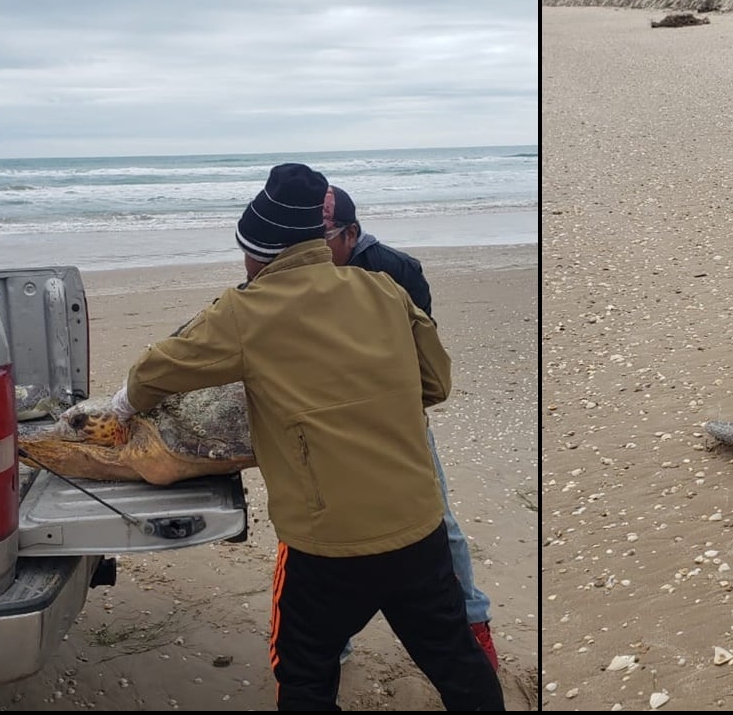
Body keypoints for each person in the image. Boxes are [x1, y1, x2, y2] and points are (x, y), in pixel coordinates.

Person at [110, 163, 504, 711]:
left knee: (303, 673)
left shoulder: (243, 311)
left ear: (257, 253)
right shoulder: (385, 290)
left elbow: (153, 372)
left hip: (325, 547)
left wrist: (122, 408)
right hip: (418, 529)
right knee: (455, 662)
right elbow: (435, 384)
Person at [321, 183, 499, 671]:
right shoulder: (299, 274)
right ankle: (330, 644)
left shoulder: (395, 270)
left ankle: (473, 622)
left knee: (441, 522)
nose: (311, 249)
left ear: (350, 233)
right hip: (330, 425)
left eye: (322, 236)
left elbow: (424, 358)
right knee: (331, 531)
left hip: (396, 421)